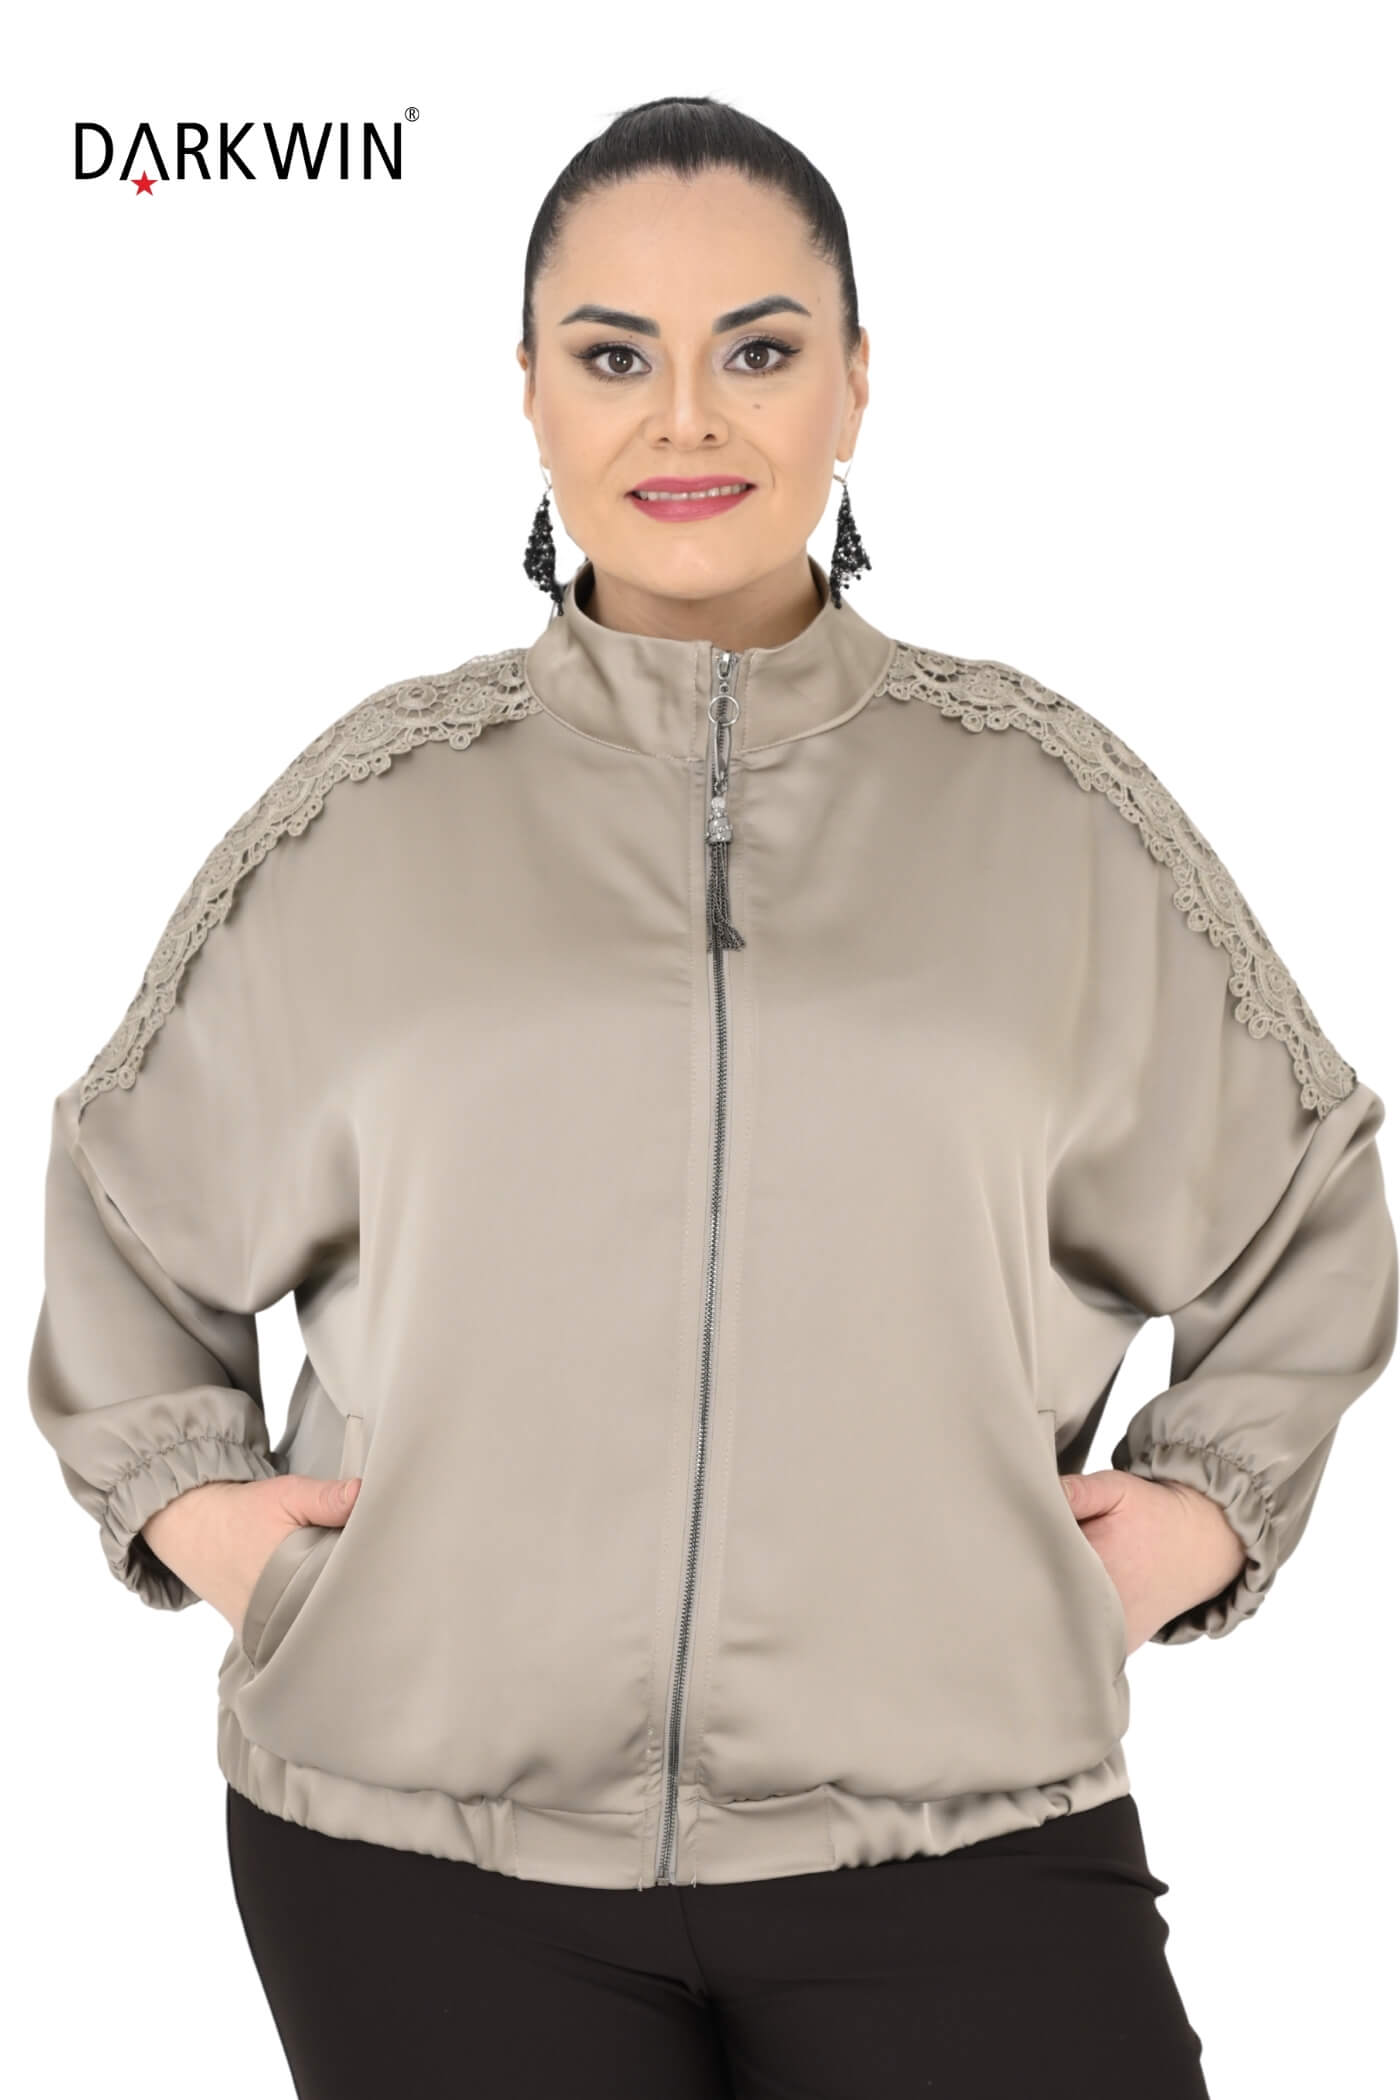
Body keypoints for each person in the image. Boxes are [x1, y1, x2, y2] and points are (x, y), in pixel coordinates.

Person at [27, 93, 1397, 2100]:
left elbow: (1306, 1197)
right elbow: (124, 1198)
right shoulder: (370, 821)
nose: (686, 420)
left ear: (856, 384)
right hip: (416, 1852)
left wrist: (1198, 1520)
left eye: (758, 349)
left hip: (954, 1831)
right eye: (613, 356)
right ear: (528, 392)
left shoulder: (1045, 816)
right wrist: (220, 1529)